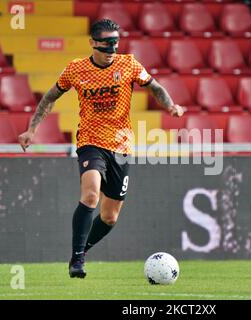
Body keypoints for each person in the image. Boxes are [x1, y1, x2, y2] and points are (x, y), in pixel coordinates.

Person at [18, 19, 184, 279]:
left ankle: (81, 250)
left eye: (115, 43)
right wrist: (32, 129)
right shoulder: (76, 69)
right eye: (107, 44)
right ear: (93, 43)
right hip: (90, 142)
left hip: (121, 147)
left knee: (109, 217)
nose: (112, 49)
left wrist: (170, 105)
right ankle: (77, 260)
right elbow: (50, 97)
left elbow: (155, 87)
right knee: (91, 196)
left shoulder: (128, 64)